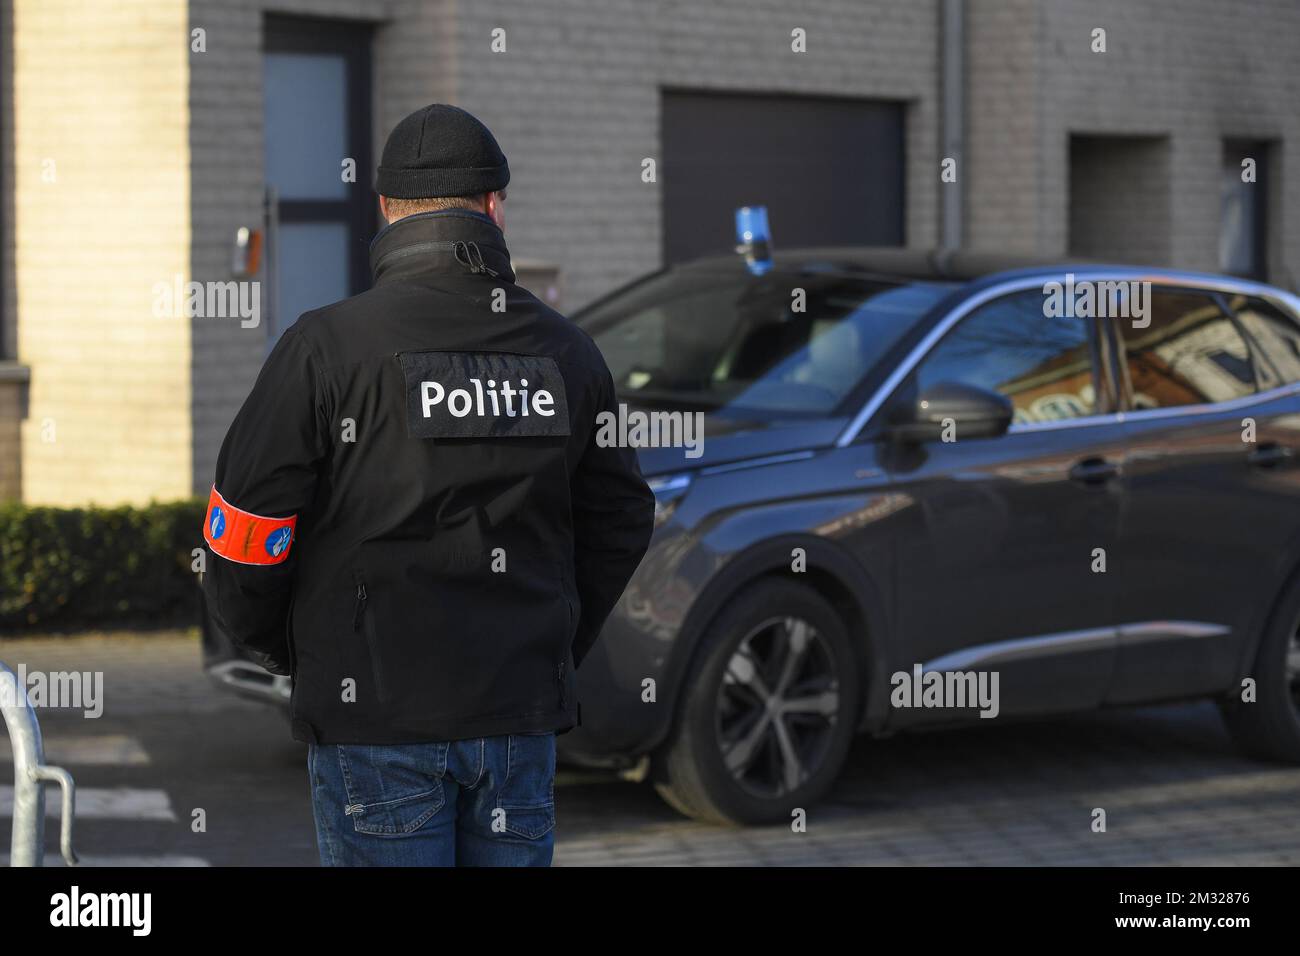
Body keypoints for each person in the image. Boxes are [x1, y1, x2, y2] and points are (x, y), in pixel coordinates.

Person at [202, 103, 656, 866]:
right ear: (494, 206)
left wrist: (291, 651)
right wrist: (548, 643)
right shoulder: (567, 351)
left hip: (375, 717)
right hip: (518, 723)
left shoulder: (326, 348)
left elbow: (245, 532)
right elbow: (620, 519)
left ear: (385, 209)